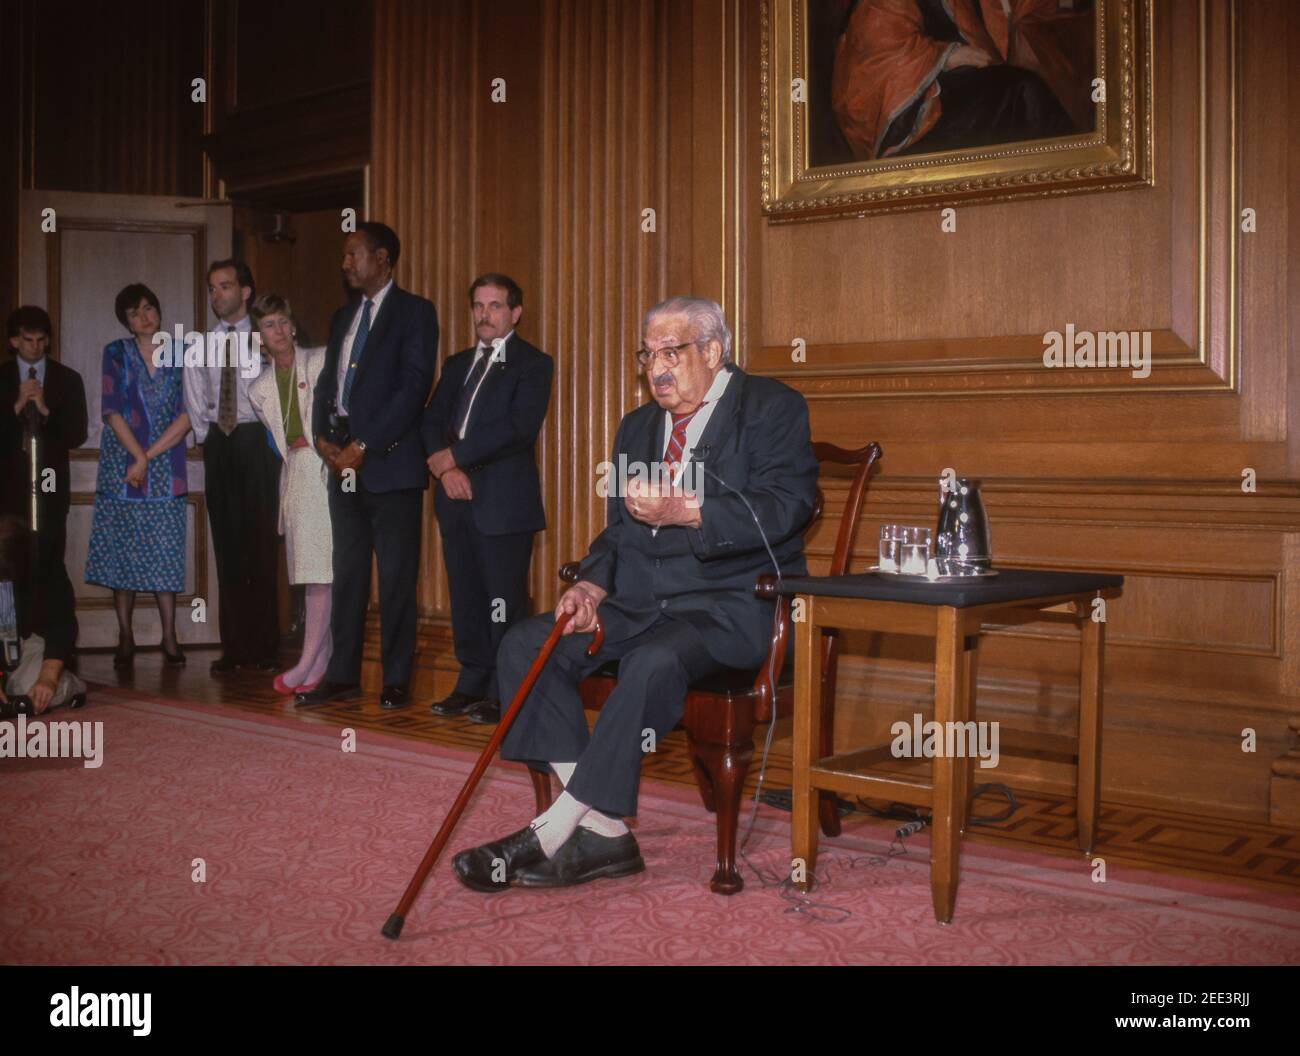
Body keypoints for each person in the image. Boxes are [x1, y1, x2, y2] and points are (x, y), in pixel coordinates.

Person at [451, 296, 819, 891]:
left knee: (652, 663)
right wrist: (593, 586)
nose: (657, 369)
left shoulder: (770, 408)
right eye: (648, 355)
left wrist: (689, 511)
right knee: (524, 643)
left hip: (726, 607)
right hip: (637, 605)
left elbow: (787, 508)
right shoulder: (638, 426)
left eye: (671, 353)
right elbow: (616, 533)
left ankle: (550, 830)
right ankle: (605, 832)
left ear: (714, 351)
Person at [297, 222, 439, 711]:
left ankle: (396, 680)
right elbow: (325, 388)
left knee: (397, 578)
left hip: (391, 466)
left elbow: (414, 386)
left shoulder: (416, 313)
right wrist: (322, 438)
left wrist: (365, 443)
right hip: (343, 467)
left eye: (353, 254)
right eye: (344, 256)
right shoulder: (343, 318)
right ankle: (342, 676)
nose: (345, 263)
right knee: (349, 573)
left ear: (382, 258)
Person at [423, 274, 553, 725]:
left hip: (503, 505)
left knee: (504, 601)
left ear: (515, 313)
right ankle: (471, 681)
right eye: (478, 306)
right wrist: (449, 469)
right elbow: (431, 421)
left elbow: (518, 428)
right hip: (455, 500)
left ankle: (506, 690)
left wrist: (455, 456)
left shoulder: (533, 364)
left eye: (495, 306)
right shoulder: (457, 364)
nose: (484, 314)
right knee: (466, 596)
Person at [84, 284, 191, 666]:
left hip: (165, 466)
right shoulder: (115, 353)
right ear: (126, 321)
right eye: (135, 312)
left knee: (165, 555)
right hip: (123, 466)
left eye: (149, 307)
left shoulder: (181, 353)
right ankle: (125, 635)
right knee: (123, 554)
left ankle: (170, 637)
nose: (145, 316)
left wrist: (147, 456)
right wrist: (136, 456)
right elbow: (111, 410)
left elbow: (188, 413)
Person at [182, 259, 279, 674]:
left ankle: (265, 649)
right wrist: (208, 443)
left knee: (259, 544)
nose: (216, 295)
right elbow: (194, 396)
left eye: (224, 286)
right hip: (219, 444)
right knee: (228, 546)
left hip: (256, 440)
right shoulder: (199, 345)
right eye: (211, 288)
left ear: (245, 292)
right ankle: (235, 647)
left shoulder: (265, 338)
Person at [247, 294, 332, 695]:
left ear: (293, 326)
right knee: (309, 572)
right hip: (295, 476)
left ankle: (308, 661)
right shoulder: (258, 388)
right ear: (258, 336)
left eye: (283, 322)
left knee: (320, 573)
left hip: (327, 471)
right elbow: (280, 442)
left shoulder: (320, 361)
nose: (278, 331)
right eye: (268, 325)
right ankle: (318, 662)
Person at [0, 306, 88, 676]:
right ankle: (13, 645)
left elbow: (77, 434)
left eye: (41, 341)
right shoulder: (3, 379)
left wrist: (45, 410)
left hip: (49, 488)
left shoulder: (67, 379)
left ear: (48, 340)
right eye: (27, 341)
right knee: (10, 568)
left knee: (50, 563)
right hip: (9, 493)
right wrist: (17, 406)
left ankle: (57, 648)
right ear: (13, 341)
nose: (35, 348)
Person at [0, 514, 86, 718]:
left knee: (29, 690)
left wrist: (48, 677)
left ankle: (69, 684)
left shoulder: (44, 562)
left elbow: (62, 622)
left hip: (31, 639)